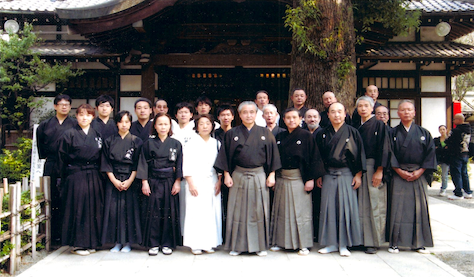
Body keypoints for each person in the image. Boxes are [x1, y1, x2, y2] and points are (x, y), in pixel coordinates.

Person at [214, 101, 281, 257]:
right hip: (238, 175)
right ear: (240, 114)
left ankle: (259, 246)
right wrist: (226, 174)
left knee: (258, 210)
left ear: (256, 114)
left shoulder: (265, 132)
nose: (248, 115)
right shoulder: (232, 133)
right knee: (237, 210)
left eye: (252, 112)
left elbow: (273, 156)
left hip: (258, 175)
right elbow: (224, 156)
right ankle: (237, 245)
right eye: (245, 112)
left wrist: (272, 174)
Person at [270, 108, 325, 255]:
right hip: (282, 177)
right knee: (281, 211)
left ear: (300, 118)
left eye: (294, 117)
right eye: (288, 118)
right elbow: (274, 158)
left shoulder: (306, 136)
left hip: (299, 178)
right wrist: (273, 176)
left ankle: (303, 244)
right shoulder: (280, 135)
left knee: (301, 212)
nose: (291, 120)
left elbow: (314, 158)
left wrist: (310, 179)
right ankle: (280, 242)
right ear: (283, 119)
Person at [315, 102, 365, 257]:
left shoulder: (353, 132)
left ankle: (344, 244)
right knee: (329, 208)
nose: (336, 115)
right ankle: (330, 243)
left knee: (345, 208)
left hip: (346, 174)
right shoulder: (322, 133)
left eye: (339, 112)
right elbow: (317, 157)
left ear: (345, 114)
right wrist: (319, 174)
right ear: (328, 115)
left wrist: (358, 174)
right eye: (333, 112)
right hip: (328, 174)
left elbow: (359, 154)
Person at [388, 100, 435, 254]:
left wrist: (420, 171)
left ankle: (419, 243)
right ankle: (394, 243)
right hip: (398, 173)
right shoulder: (392, 133)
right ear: (398, 113)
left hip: (418, 173)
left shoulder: (424, 133)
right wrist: (398, 170)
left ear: (414, 113)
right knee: (397, 208)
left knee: (418, 208)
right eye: (403, 110)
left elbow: (430, 155)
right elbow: (389, 153)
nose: (406, 112)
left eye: (409, 110)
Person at [58, 104, 103, 256]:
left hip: (93, 174)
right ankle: (78, 244)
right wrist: (65, 177)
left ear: (92, 117)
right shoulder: (69, 134)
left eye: (88, 115)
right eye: (81, 114)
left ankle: (92, 242)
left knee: (93, 208)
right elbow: (62, 158)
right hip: (76, 174)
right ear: (76, 116)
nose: (84, 118)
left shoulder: (96, 134)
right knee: (78, 208)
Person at [137, 113, 183, 256]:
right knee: (154, 212)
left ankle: (167, 243)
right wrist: (144, 182)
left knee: (169, 212)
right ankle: (153, 243)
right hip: (153, 180)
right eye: (160, 124)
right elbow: (143, 163)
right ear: (155, 126)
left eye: (166, 124)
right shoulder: (148, 143)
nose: (163, 127)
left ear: (170, 126)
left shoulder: (176, 144)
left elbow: (179, 164)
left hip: (170, 181)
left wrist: (177, 181)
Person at [37, 94, 77, 244]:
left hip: (68, 164)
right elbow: (41, 148)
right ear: (55, 106)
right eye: (61, 104)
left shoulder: (74, 123)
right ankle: (51, 235)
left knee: (67, 198)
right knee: (50, 198)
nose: (64, 106)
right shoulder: (44, 125)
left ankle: (66, 235)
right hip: (52, 163)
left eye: (67, 104)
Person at [101, 111, 143, 253]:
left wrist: (130, 180)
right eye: (121, 121)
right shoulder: (109, 141)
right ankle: (117, 242)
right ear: (117, 123)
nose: (124, 124)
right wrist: (114, 180)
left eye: (127, 122)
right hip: (113, 178)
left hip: (130, 179)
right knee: (113, 211)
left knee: (129, 210)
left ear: (130, 123)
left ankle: (128, 242)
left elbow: (138, 163)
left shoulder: (137, 141)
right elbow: (105, 162)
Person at [354, 96, 389, 255]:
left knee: (374, 204)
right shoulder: (355, 125)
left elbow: (384, 148)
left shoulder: (379, 125)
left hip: (373, 166)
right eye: (360, 106)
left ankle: (373, 241)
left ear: (372, 106)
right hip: (358, 169)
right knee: (360, 206)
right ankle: (359, 239)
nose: (362, 108)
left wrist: (380, 170)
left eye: (366, 105)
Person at [183, 114, 222, 255]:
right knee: (196, 212)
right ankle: (195, 244)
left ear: (212, 125)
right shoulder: (191, 143)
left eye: (208, 123)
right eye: (201, 123)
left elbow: (220, 164)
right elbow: (186, 164)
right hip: (196, 181)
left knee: (211, 212)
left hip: (211, 181)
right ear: (196, 126)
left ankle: (209, 243)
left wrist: (219, 180)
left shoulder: (216, 143)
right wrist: (191, 183)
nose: (205, 126)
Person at [172, 102, 196, 233]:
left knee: (189, 204)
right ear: (176, 115)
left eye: (186, 112)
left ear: (191, 115)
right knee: (177, 203)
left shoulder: (195, 132)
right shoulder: (172, 131)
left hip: (190, 173)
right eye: (180, 112)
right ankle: (179, 233)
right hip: (174, 172)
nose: (183, 115)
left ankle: (187, 233)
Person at [446, 113, 473, 200]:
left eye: (454, 119)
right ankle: (467, 192)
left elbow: (450, 141)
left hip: (456, 154)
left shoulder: (456, 130)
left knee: (456, 173)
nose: (453, 121)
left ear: (459, 120)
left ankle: (458, 193)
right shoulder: (468, 129)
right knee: (464, 173)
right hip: (465, 153)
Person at [434, 125, 450, 197]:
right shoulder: (436, 140)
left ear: (446, 130)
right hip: (437, 158)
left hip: (446, 159)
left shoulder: (449, 140)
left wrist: (439, 148)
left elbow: (449, 149)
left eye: (444, 129)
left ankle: (443, 189)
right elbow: (433, 148)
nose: (442, 131)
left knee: (444, 175)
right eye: (441, 129)